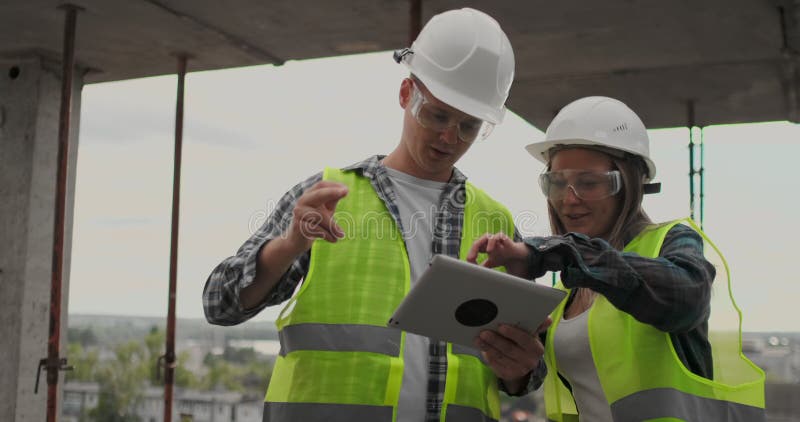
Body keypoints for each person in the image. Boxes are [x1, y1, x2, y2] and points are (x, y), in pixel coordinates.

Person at [203, 8, 548, 422]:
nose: (449, 137)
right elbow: (219, 304)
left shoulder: (496, 222)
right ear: (406, 94)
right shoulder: (327, 195)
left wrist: (519, 370)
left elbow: (525, 372)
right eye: (437, 115)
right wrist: (289, 245)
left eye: (469, 126)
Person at [467, 96, 766, 421]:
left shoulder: (671, 244)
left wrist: (554, 253)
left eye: (589, 183)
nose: (569, 200)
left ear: (630, 185)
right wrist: (516, 368)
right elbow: (534, 375)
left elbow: (686, 299)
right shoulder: (569, 285)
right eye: (557, 183)